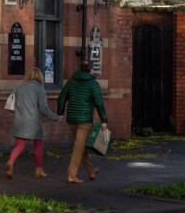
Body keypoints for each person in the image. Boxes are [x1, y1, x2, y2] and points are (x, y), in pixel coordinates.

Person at [58, 52, 109, 183]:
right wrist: (104, 120)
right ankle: (71, 175)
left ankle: (91, 171)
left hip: (72, 119)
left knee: (81, 146)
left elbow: (62, 97)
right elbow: (99, 103)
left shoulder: (71, 82)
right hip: (85, 120)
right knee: (79, 147)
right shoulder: (93, 84)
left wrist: (60, 113)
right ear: (91, 70)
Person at [6, 64, 60, 178]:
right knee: (38, 144)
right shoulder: (39, 88)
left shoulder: (19, 87)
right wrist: (56, 117)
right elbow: (44, 109)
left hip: (19, 121)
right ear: (40, 77)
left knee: (20, 145)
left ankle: (11, 161)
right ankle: (39, 169)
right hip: (33, 122)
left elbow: (13, 104)